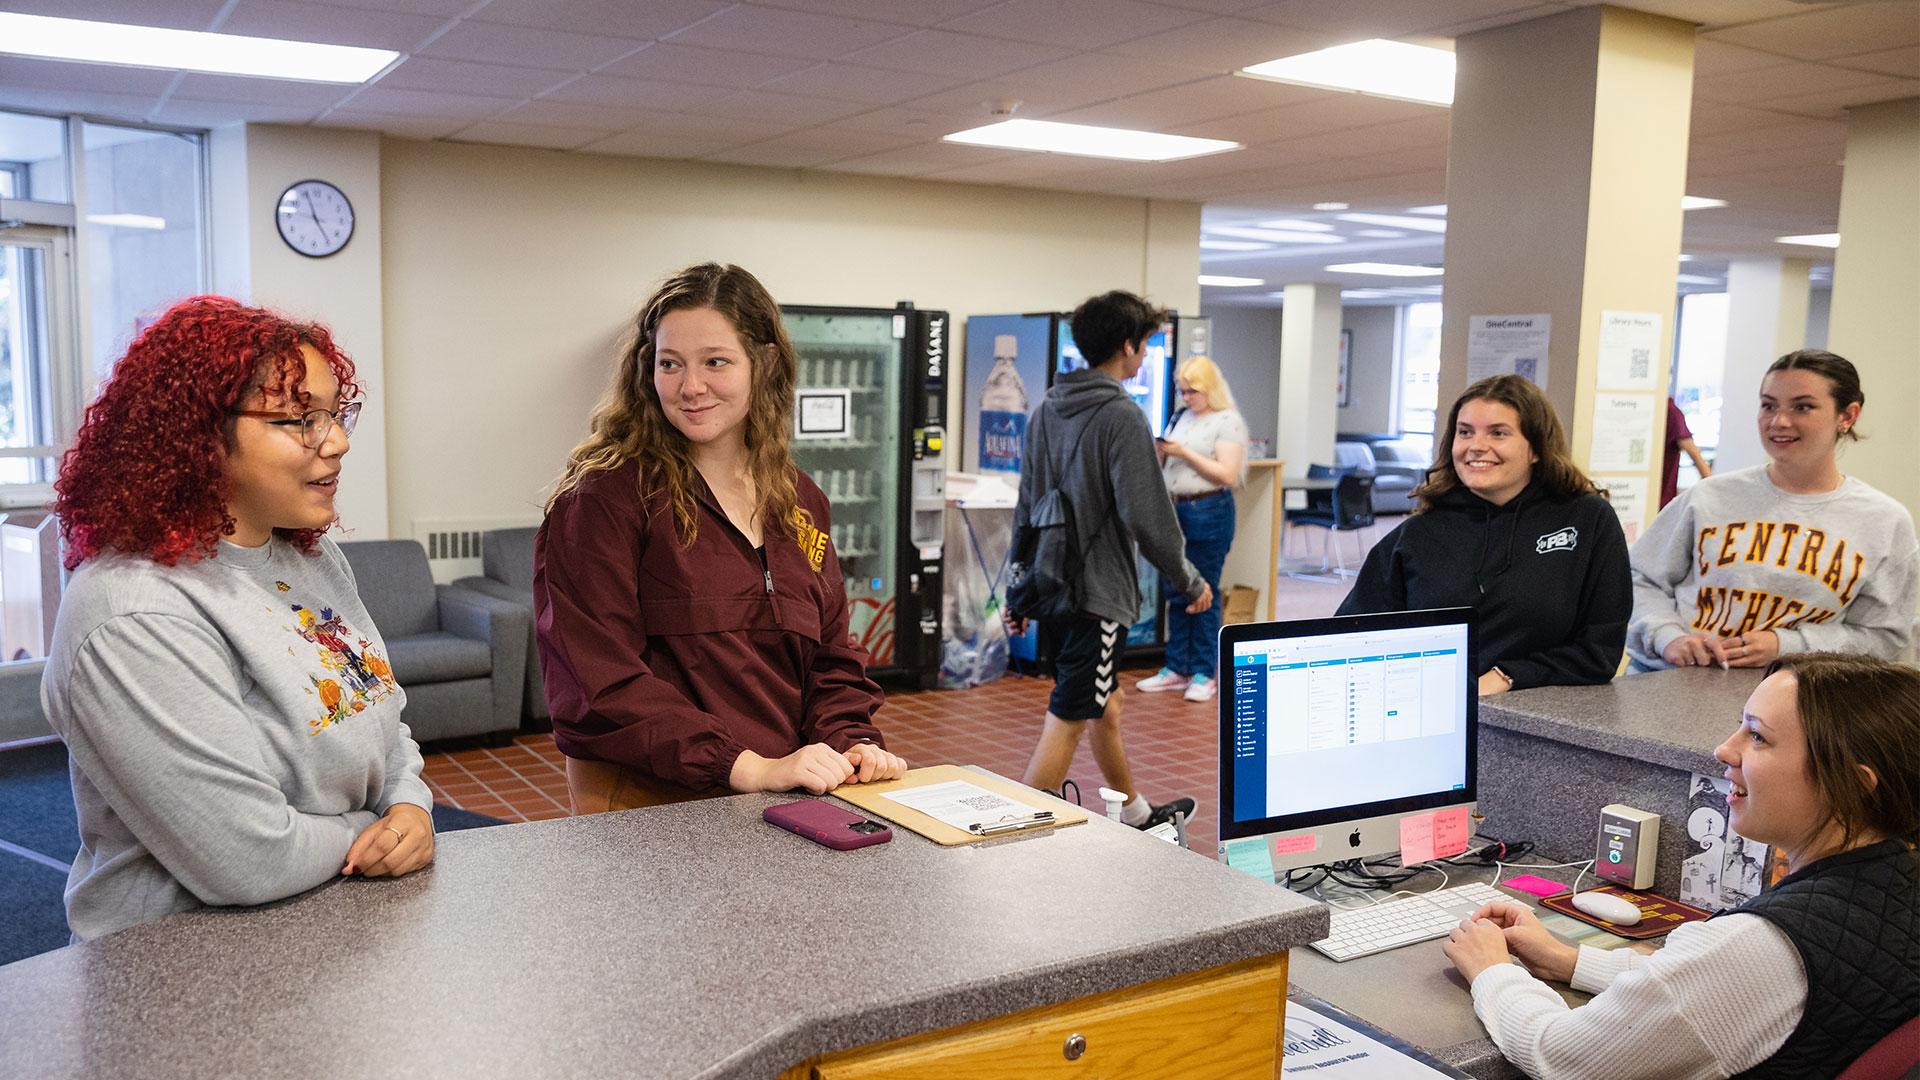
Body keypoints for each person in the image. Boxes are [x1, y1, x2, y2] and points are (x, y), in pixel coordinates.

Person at [43, 296, 434, 941]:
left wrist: (409, 806)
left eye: (336, 415)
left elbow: (382, 717)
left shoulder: (310, 557)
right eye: (298, 419)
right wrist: (372, 829)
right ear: (199, 436)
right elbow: (247, 858)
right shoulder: (130, 611)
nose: (335, 441)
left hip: (334, 930)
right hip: (182, 970)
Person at [1442, 652, 1919, 1080]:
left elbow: (1561, 1056)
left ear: (1854, 786)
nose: (1724, 750)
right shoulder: (1891, 884)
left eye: (1758, 737)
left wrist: (1492, 970)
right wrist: (1569, 959)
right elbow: (1712, 993)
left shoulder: (1766, 944)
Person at [535, 263, 905, 813]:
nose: (691, 386)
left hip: (785, 801)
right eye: (670, 364)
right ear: (647, 370)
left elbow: (831, 658)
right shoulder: (604, 500)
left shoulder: (800, 502)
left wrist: (851, 741)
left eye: (716, 362)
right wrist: (747, 766)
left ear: (765, 362)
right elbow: (597, 683)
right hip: (657, 812)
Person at [1004, 290, 1209, 829]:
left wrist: (1014, 591)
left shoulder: (1046, 408)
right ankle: (1012, 832)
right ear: (1126, 346)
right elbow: (1147, 516)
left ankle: (1136, 813)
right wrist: (1189, 581)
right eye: (1144, 345)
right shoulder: (1122, 415)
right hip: (1098, 594)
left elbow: (1026, 506)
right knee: (1071, 715)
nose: (1145, 356)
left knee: (1105, 700)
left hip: (1050, 587)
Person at [1338, 375, 1631, 695]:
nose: (1476, 446)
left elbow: (1599, 653)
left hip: (1546, 719)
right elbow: (1352, 636)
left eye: (1498, 433)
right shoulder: (1419, 534)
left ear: (1537, 449)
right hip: (1431, 710)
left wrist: (1505, 677)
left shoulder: (1588, 520)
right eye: (1465, 432)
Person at [1628, 350, 1917, 671]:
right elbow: (1641, 579)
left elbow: (1884, 635)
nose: (1779, 421)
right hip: (1669, 686)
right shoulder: (1709, 497)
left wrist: (1789, 645)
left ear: (1847, 416)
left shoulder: (1884, 522)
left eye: (1803, 407)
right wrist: (1668, 636)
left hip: (1796, 702)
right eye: (1768, 405)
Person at [1136, 355, 1247, 704]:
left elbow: (1227, 474)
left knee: (1204, 590)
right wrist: (1163, 452)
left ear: (1209, 388)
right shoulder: (1180, 417)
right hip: (1175, 509)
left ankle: (1203, 672)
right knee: (1175, 590)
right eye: (1181, 391)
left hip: (1208, 509)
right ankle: (1176, 668)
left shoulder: (1227, 422)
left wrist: (1183, 451)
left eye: (1192, 391)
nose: (1186, 397)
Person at [1660, 395, 1712, 509]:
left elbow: (1691, 450)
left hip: (1661, 498)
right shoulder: (1664, 408)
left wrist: (1709, 486)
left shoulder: (1670, 410)